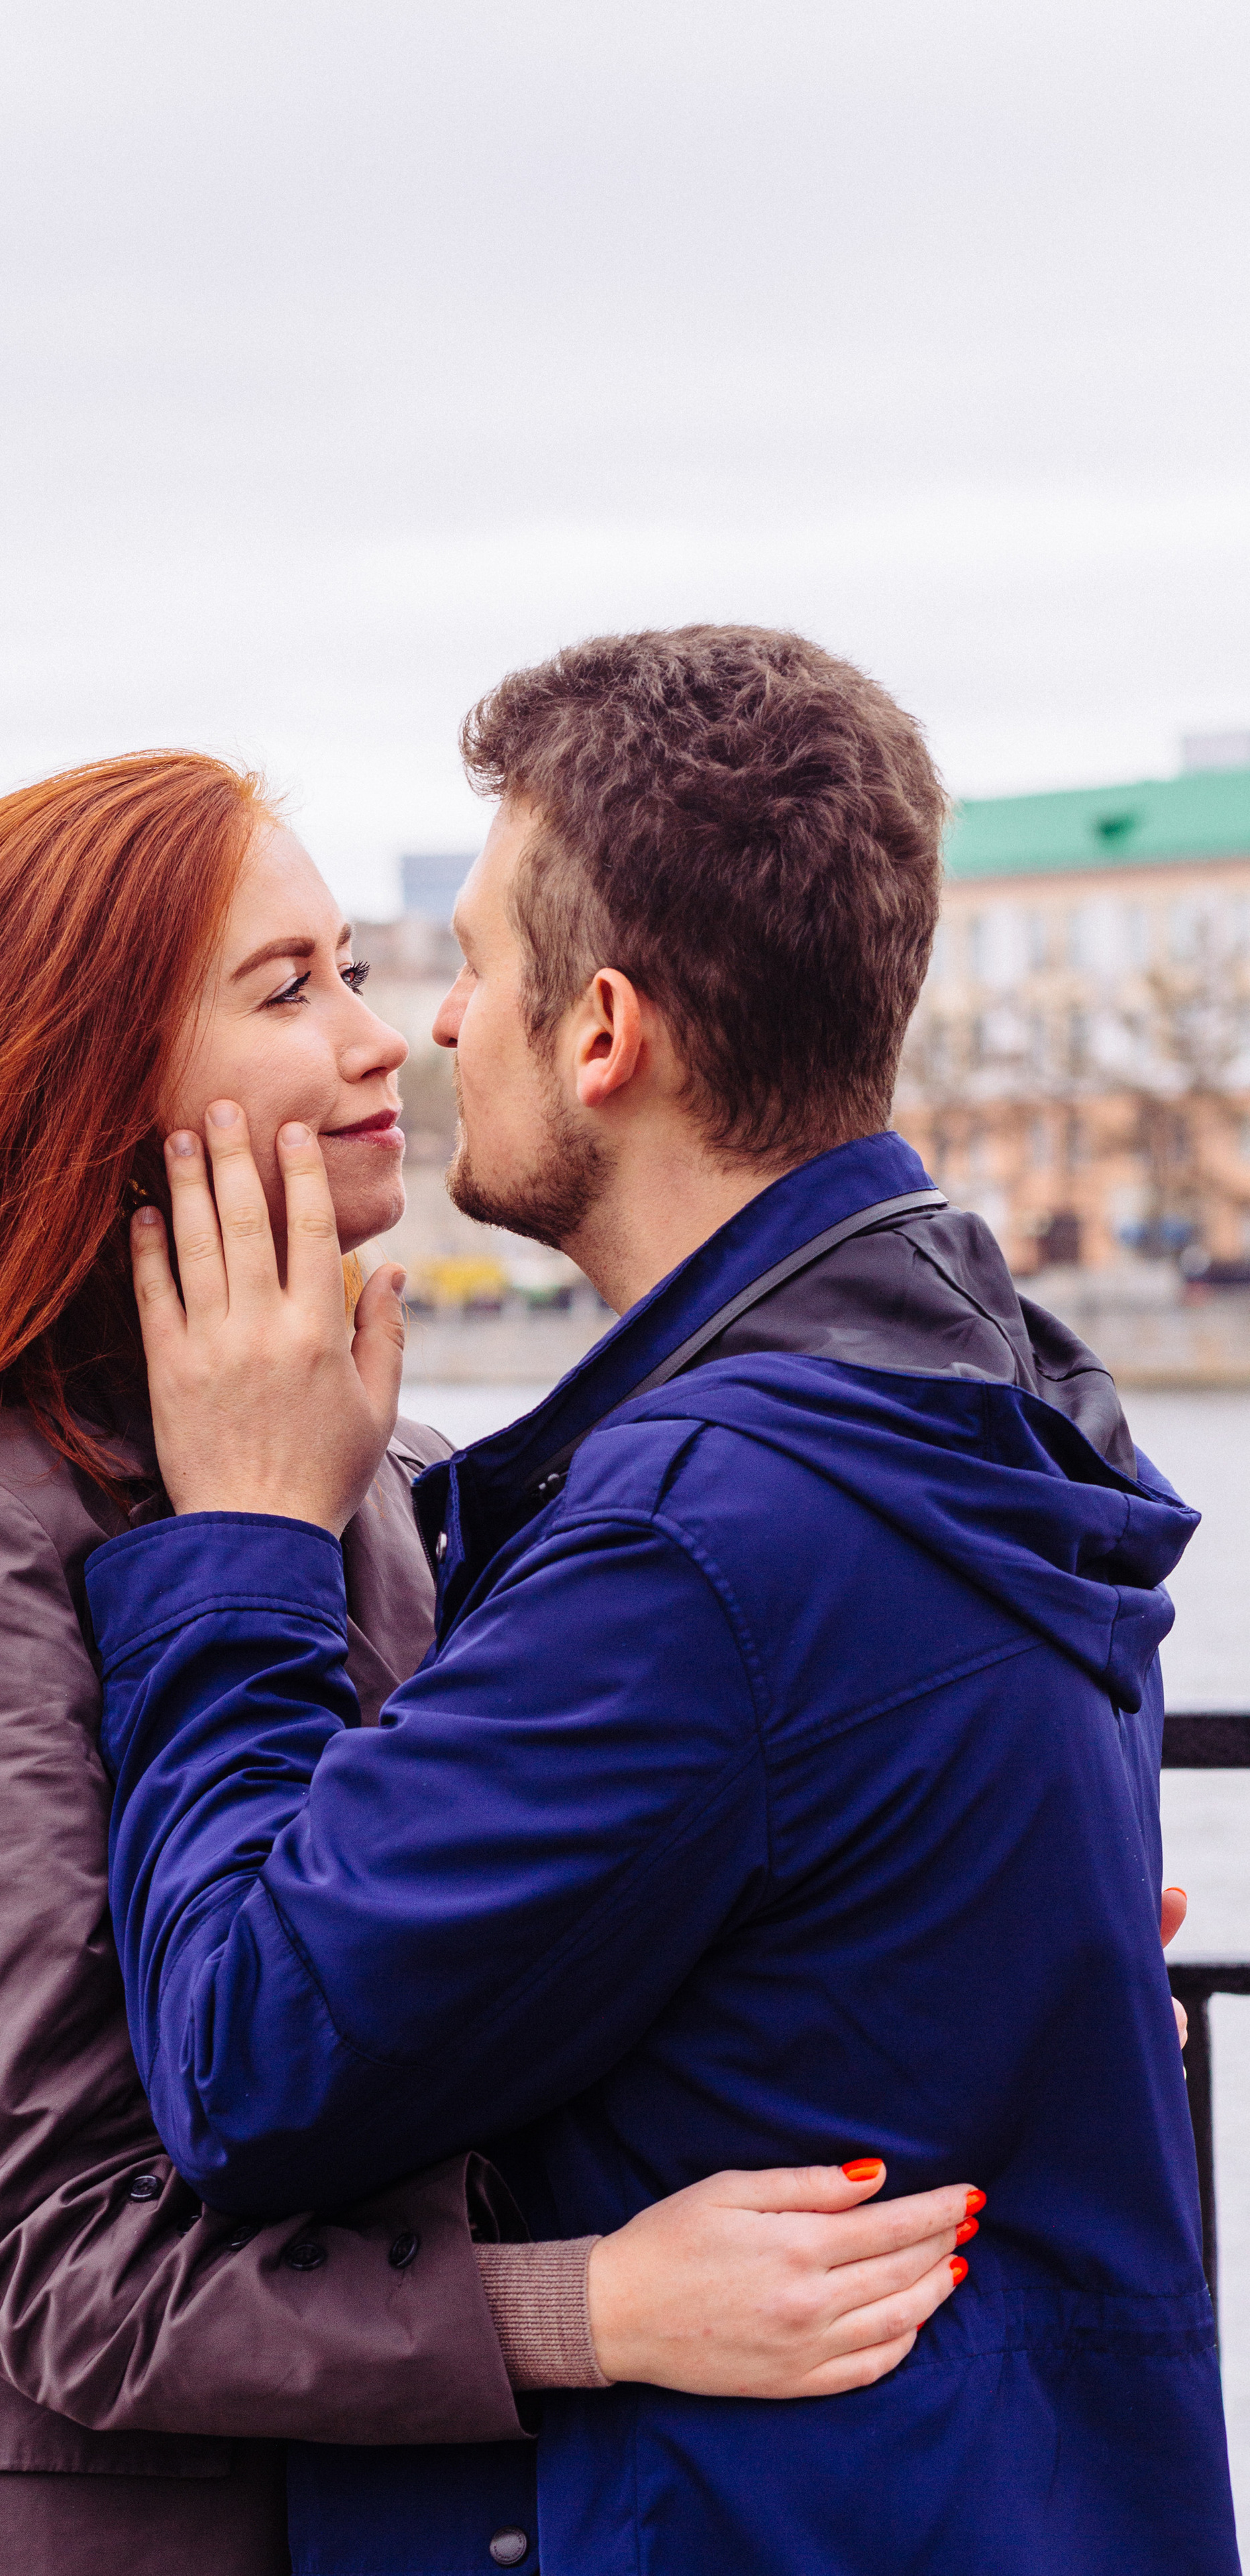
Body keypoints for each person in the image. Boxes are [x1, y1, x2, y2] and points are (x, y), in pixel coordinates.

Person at [0, 749, 976, 2576]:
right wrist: (590, 2313)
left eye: (355, 966)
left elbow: (485, 1981)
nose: (384, 1041)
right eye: (290, 989)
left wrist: (924, 1912)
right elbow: (56, 2257)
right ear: (89, 1085)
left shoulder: (402, 1487)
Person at [89, 631, 1238, 2576]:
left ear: (603, 1033)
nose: (436, 1027)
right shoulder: (988, 1407)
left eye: (470, 967)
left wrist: (253, 1546)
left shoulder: (707, 1537)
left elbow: (245, 2060)